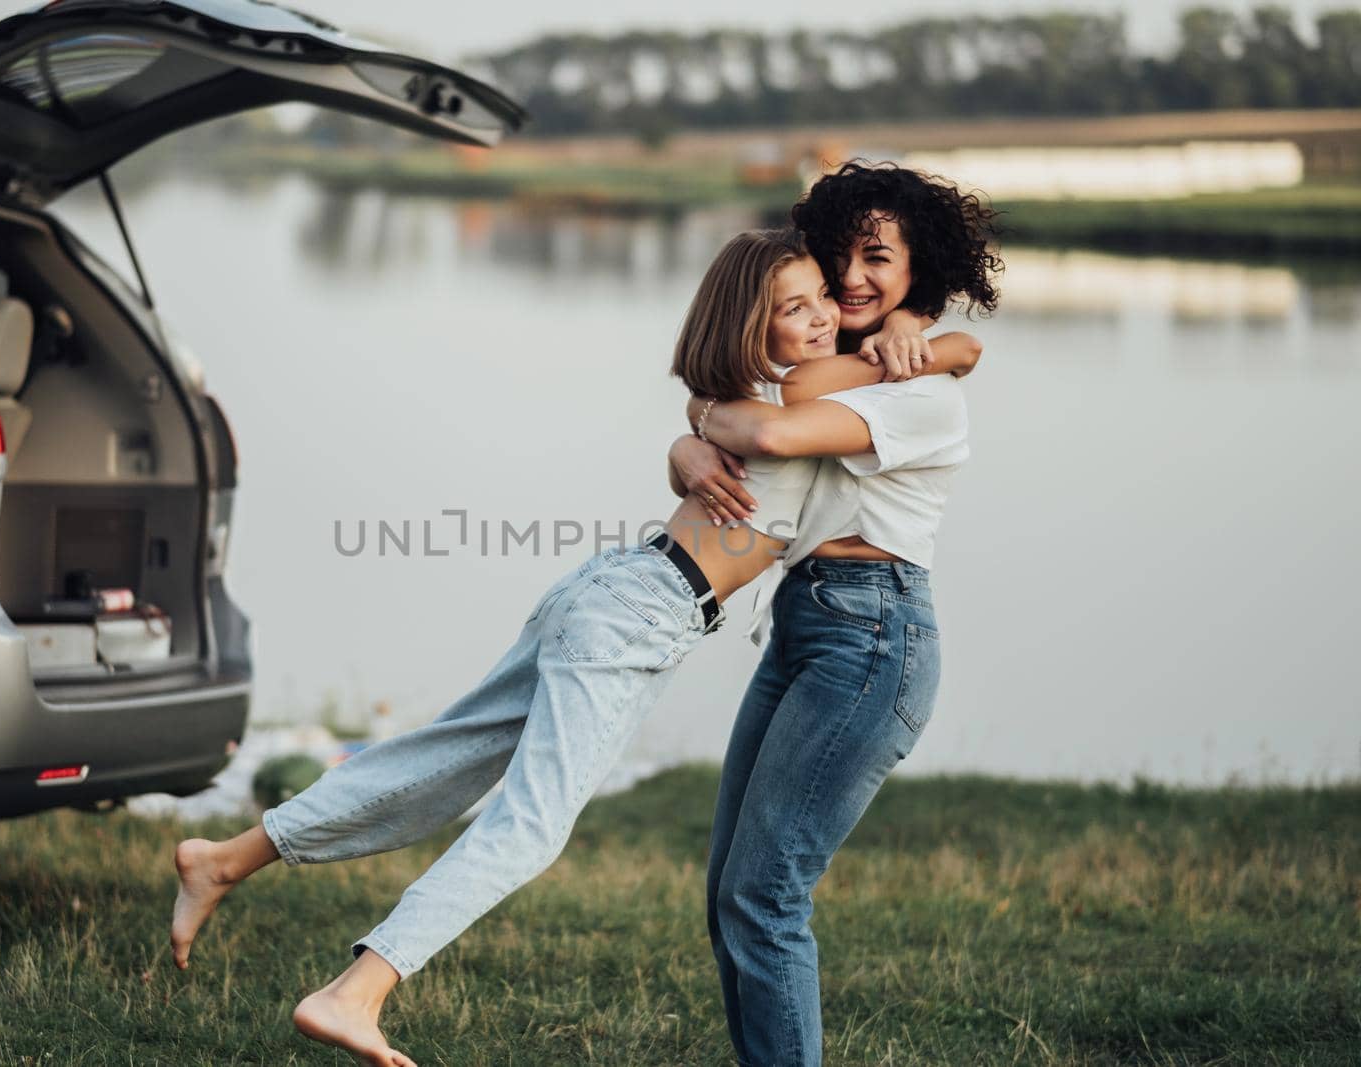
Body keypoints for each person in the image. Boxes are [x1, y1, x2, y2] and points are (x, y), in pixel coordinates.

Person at [166, 227, 982, 1067]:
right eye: (795, 306)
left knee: (445, 758)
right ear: (752, 326)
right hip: (642, 612)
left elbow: (754, 412)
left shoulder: (772, 387)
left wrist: (705, 423)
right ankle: (357, 990)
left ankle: (227, 857)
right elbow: (806, 406)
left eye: (826, 299)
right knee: (531, 823)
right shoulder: (798, 388)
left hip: (616, 588)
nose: (820, 314)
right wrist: (942, 346)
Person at [669, 161, 1002, 1067]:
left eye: (878, 258)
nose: (851, 278)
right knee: (728, 894)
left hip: (874, 633)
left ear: (918, 268)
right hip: (807, 627)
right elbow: (759, 413)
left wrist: (702, 417)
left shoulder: (925, 391)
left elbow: (774, 428)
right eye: (838, 256)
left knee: (766, 893)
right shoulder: (845, 369)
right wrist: (687, 442)